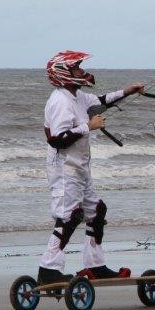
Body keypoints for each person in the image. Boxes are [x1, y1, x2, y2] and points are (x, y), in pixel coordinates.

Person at [37, 50, 144, 285]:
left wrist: (127, 91)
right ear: (64, 73)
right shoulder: (59, 102)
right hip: (64, 169)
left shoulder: (78, 96)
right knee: (69, 217)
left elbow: (101, 102)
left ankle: (95, 266)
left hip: (80, 167)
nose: (82, 71)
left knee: (97, 211)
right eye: (77, 68)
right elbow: (57, 139)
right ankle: (48, 268)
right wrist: (88, 127)